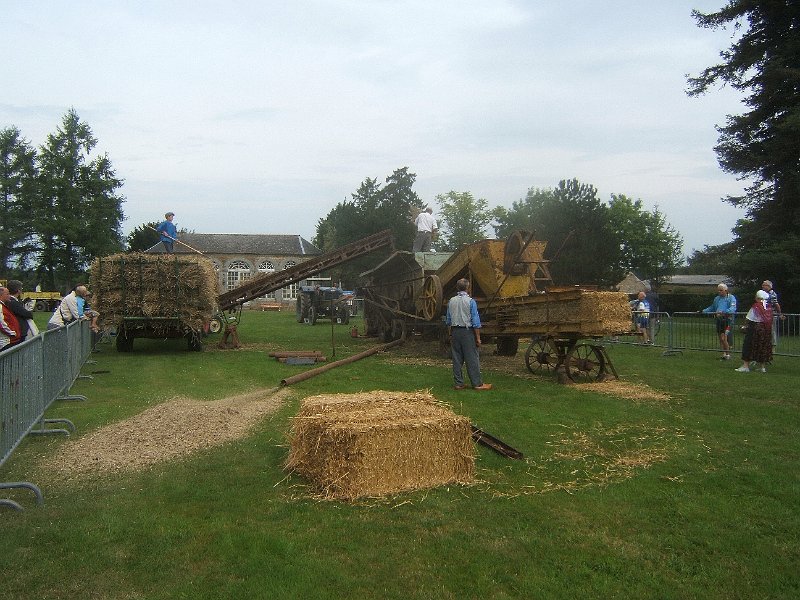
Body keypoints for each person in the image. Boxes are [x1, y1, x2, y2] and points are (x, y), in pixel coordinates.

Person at [446, 278, 492, 390]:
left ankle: (458, 383)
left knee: (457, 359)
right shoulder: (471, 301)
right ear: (467, 288)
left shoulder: (451, 301)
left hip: (455, 331)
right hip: (467, 332)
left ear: (457, 287)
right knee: (472, 358)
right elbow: (475, 322)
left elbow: (448, 320)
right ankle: (477, 384)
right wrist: (478, 338)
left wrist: (450, 334)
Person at [736, 290, 773, 373]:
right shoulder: (769, 307)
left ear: (758, 298)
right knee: (763, 347)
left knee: (748, 345)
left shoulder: (756, 307)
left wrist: (744, 326)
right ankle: (762, 367)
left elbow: (748, 318)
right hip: (766, 330)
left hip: (755, 329)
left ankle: (745, 366)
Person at [701, 283, 737, 360]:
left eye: (721, 290)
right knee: (721, 338)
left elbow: (733, 308)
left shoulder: (731, 298)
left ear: (726, 290)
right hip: (719, 320)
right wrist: (703, 311)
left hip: (728, 320)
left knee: (724, 338)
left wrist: (724, 312)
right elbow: (712, 307)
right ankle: (724, 353)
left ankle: (728, 354)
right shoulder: (717, 298)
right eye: (718, 290)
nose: (719, 292)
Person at [761, 280, 784, 346]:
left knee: (772, 330)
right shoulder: (763, 294)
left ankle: (773, 344)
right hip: (764, 315)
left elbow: (777, 305)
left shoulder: (772, 294)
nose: (762, 286)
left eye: (764, 285)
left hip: (771, 315)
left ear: (768, 286)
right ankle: (766, 343)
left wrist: (780, 314)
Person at [0, 286, 21, 351]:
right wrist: (13, 333)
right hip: (6, 342)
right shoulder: (0, 306)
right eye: (7, 294)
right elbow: (1, 323)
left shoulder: (4, 305)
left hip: (8, 340)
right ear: (1, 295)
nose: (9, 296)